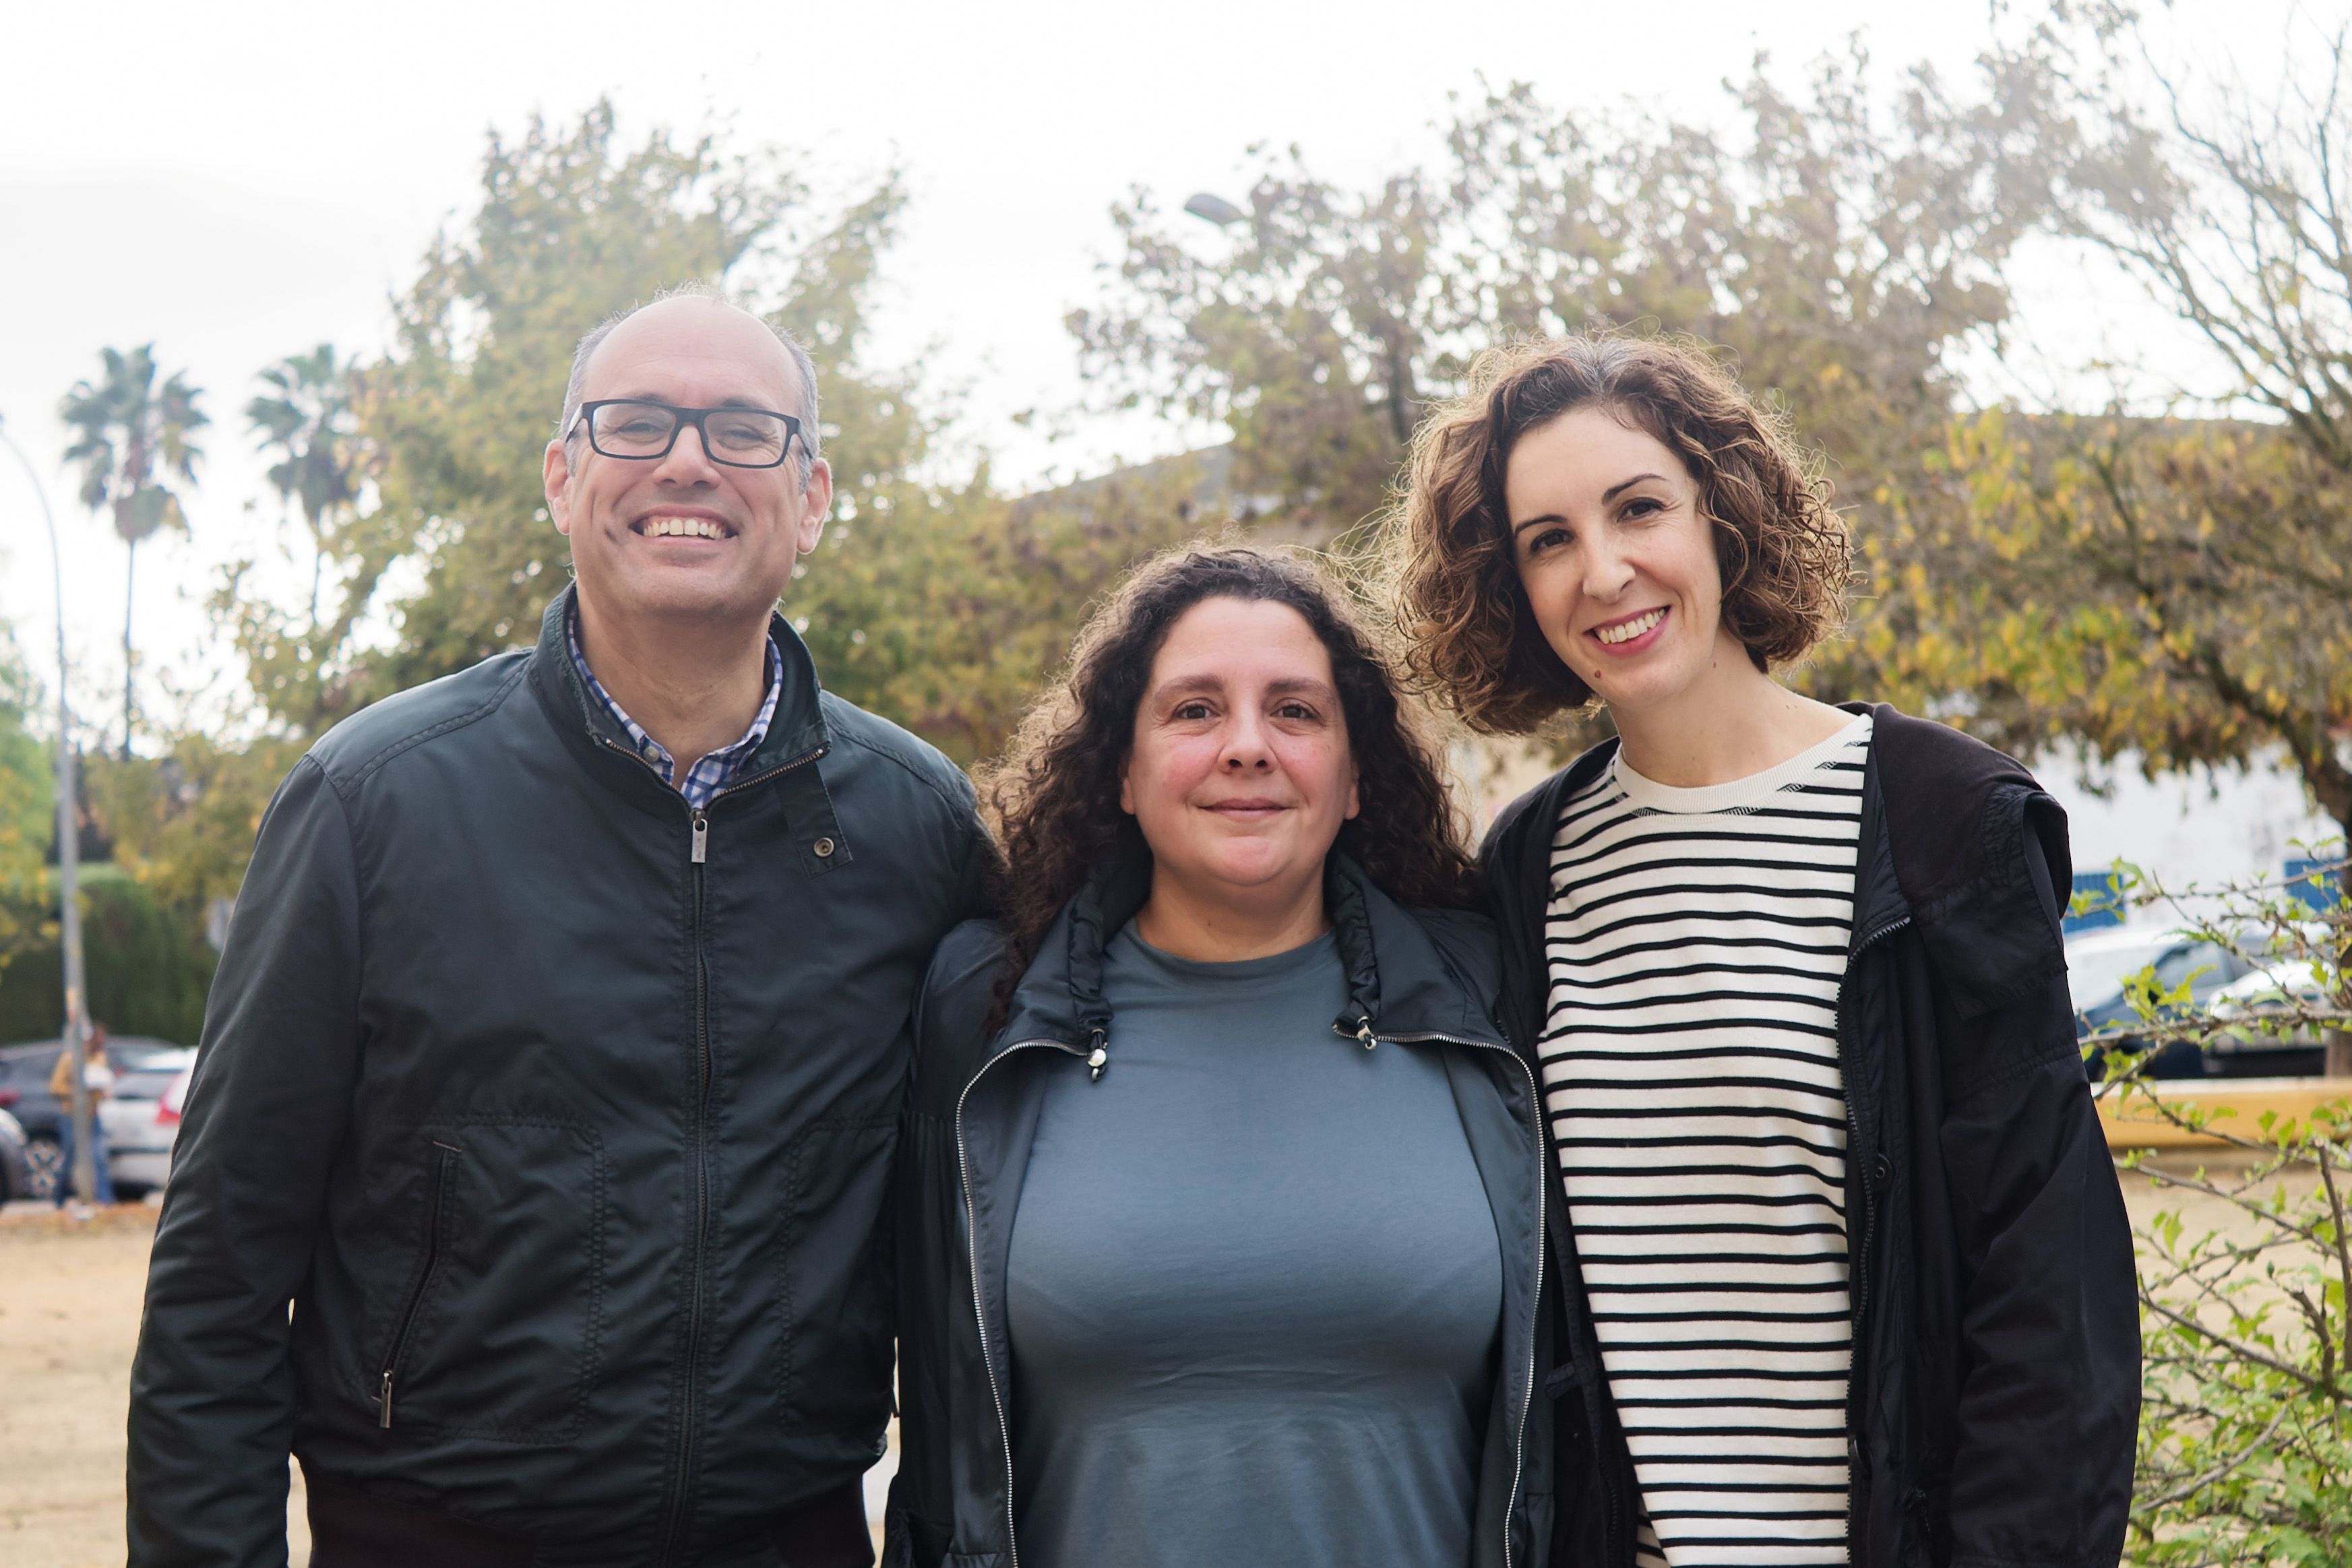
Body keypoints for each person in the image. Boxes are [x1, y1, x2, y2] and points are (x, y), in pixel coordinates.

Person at [127, 286, 993, 1568]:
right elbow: (220, 1273)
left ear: (811, 498)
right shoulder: (373, 803)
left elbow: (959, 1267)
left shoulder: (917, 827)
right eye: (636, 422)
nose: (688, 459)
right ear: (562, 476)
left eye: (745, 430)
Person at [1386, 335, 2137, 1568]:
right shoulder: (1527, 868)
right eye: (1549, 539)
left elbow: (2055, 1312)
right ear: (1510, 585)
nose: (1605, 570)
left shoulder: (1945, 821)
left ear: (1722, 516)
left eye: (1639, 508)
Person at [887, 546, 1553, 1568]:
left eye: (1295, 711)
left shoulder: (1489, 998)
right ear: (1121, 767)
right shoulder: (980, 1017)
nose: (1247, 745)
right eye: (1194, 710)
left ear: (1355, 775)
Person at [49, 1022, 115, 1206]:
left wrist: (103, 1090)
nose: (101, 1046)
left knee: (99, 1156)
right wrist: (77, 1091)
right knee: (70, 1158)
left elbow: (102, 1082)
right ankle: (59, 1200)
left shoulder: (99, 1058)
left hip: (93, 1116)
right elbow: (55, 1087)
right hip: (72, 1116)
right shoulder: (70, 1059)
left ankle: (105, 1200)